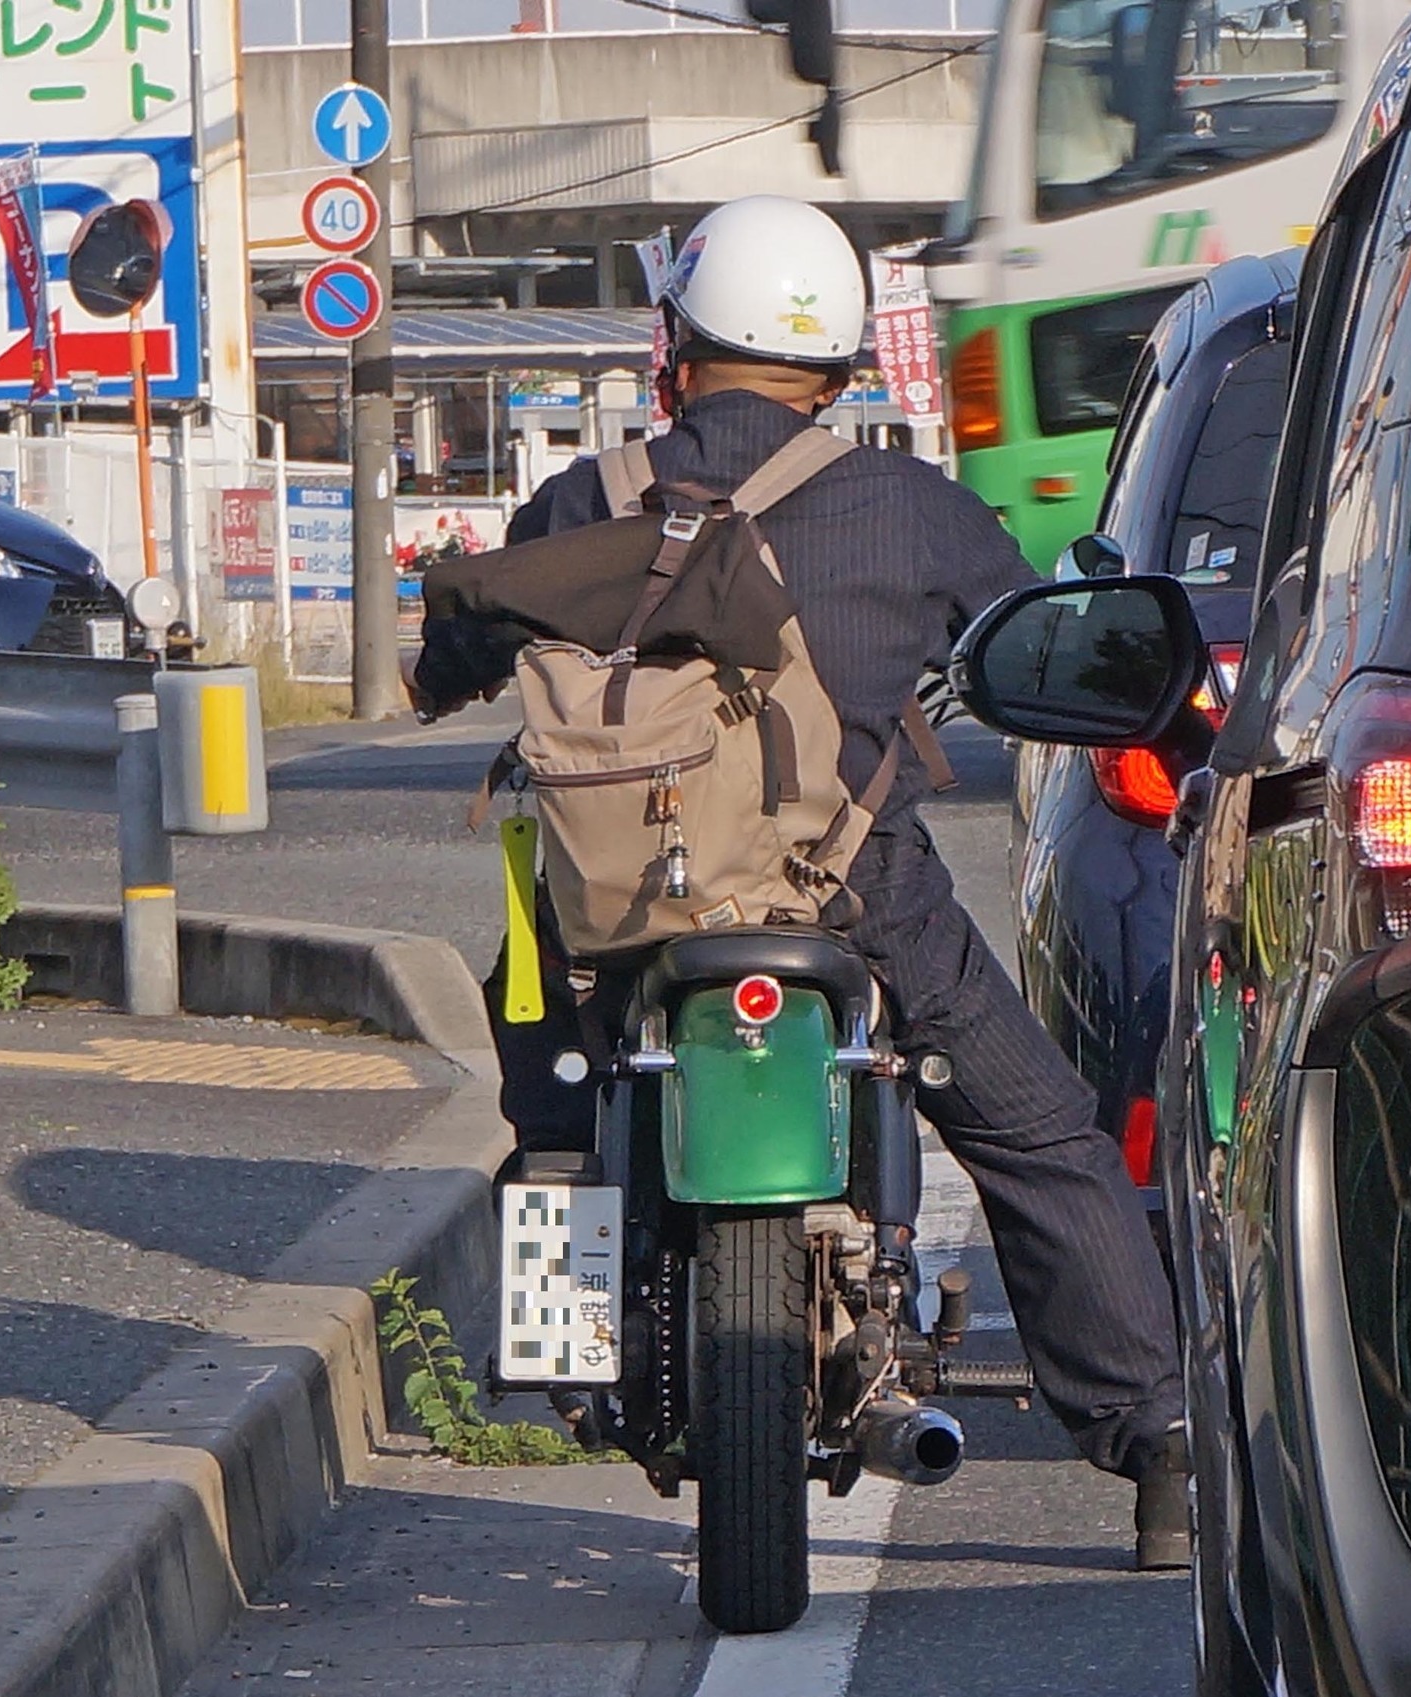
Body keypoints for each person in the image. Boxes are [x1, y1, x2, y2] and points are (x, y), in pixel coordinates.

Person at [412, 194, 1189, 1569]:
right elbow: (1034, 654)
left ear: (677, 348)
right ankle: (1164, 1453)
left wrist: (444, 664)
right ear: (838, 370)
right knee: (1040, 1135)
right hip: (857, 901)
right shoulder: (912, 511)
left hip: (625, 919)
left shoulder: (585, 500)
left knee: (552, 1100)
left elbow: (458, 649)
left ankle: (563, 1345)